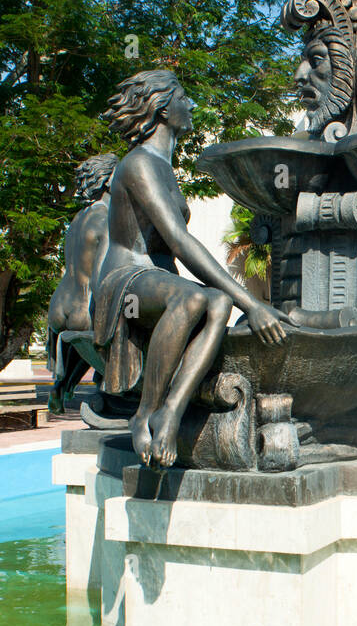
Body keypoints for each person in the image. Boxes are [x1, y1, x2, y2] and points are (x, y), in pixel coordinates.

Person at [92, 69, 291, 469]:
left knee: (218, 302)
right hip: (125, 281)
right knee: (196, 296)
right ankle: (145, 413)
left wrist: (237, 303)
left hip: (159, 280)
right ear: (163, 108)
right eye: (184, 97)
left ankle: (171, 410)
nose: (192, 104)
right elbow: (180, 243)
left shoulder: (164, 168)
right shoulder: (138, 165)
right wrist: (252, 304)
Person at [46, 153, 118, 414]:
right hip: (84, 305)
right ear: (110, 179)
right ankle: (112, 389)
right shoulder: (109, 219)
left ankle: (61, 384)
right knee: (128, 319)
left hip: (59, 304)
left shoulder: (77, 220)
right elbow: (102, 277)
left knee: (79, 342)